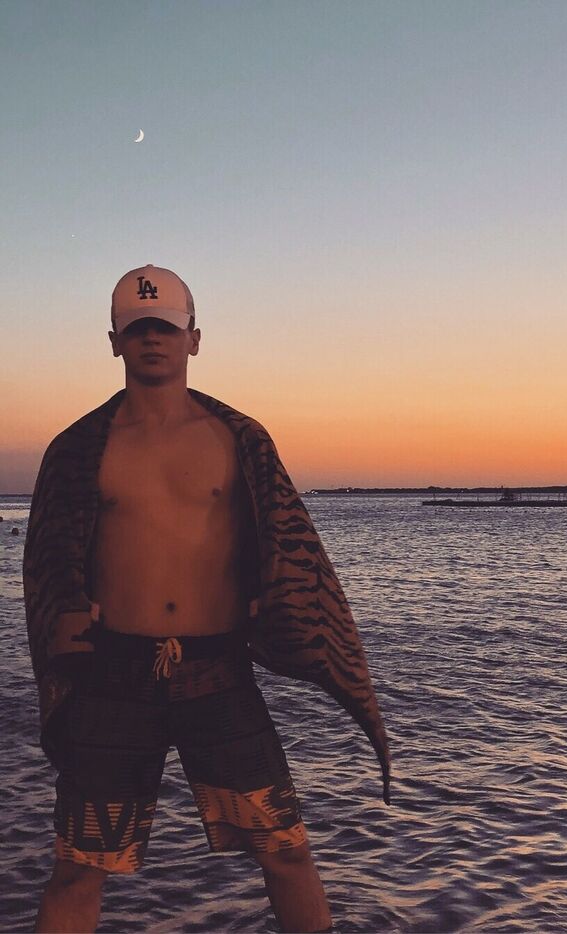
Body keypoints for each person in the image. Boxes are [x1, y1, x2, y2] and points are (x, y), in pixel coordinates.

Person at [24, 264, 391, 933]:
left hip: (217, 673)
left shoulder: (240, 439)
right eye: (138, 329)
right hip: (113, 678)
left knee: (286, 850)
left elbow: (285, 543)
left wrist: (275, 605)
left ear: (194, 338)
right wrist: (66, 620)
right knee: (79, 866)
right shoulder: (77, 449)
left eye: (166, 328)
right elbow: (49, 564)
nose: (153, 340)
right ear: (114, 342)